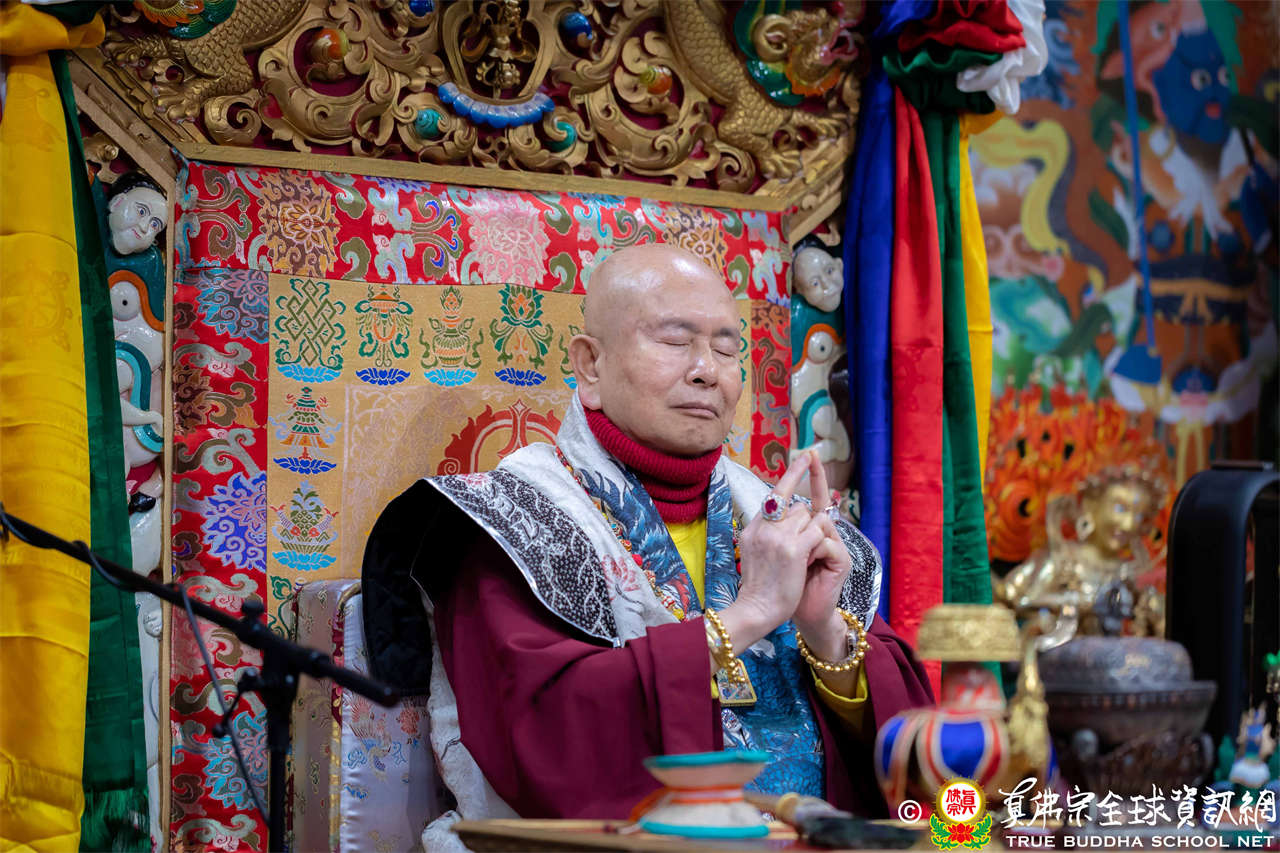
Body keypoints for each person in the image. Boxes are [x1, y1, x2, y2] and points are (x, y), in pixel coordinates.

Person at [362, 243, 933, 847]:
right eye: (674, 341)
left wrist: (823, 630)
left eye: (726, 348)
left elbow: (915, 761)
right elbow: (544, 742)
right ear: (590, 366)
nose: (706, 370)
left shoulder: (779, 524)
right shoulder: (516, 523)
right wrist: (750, 615)